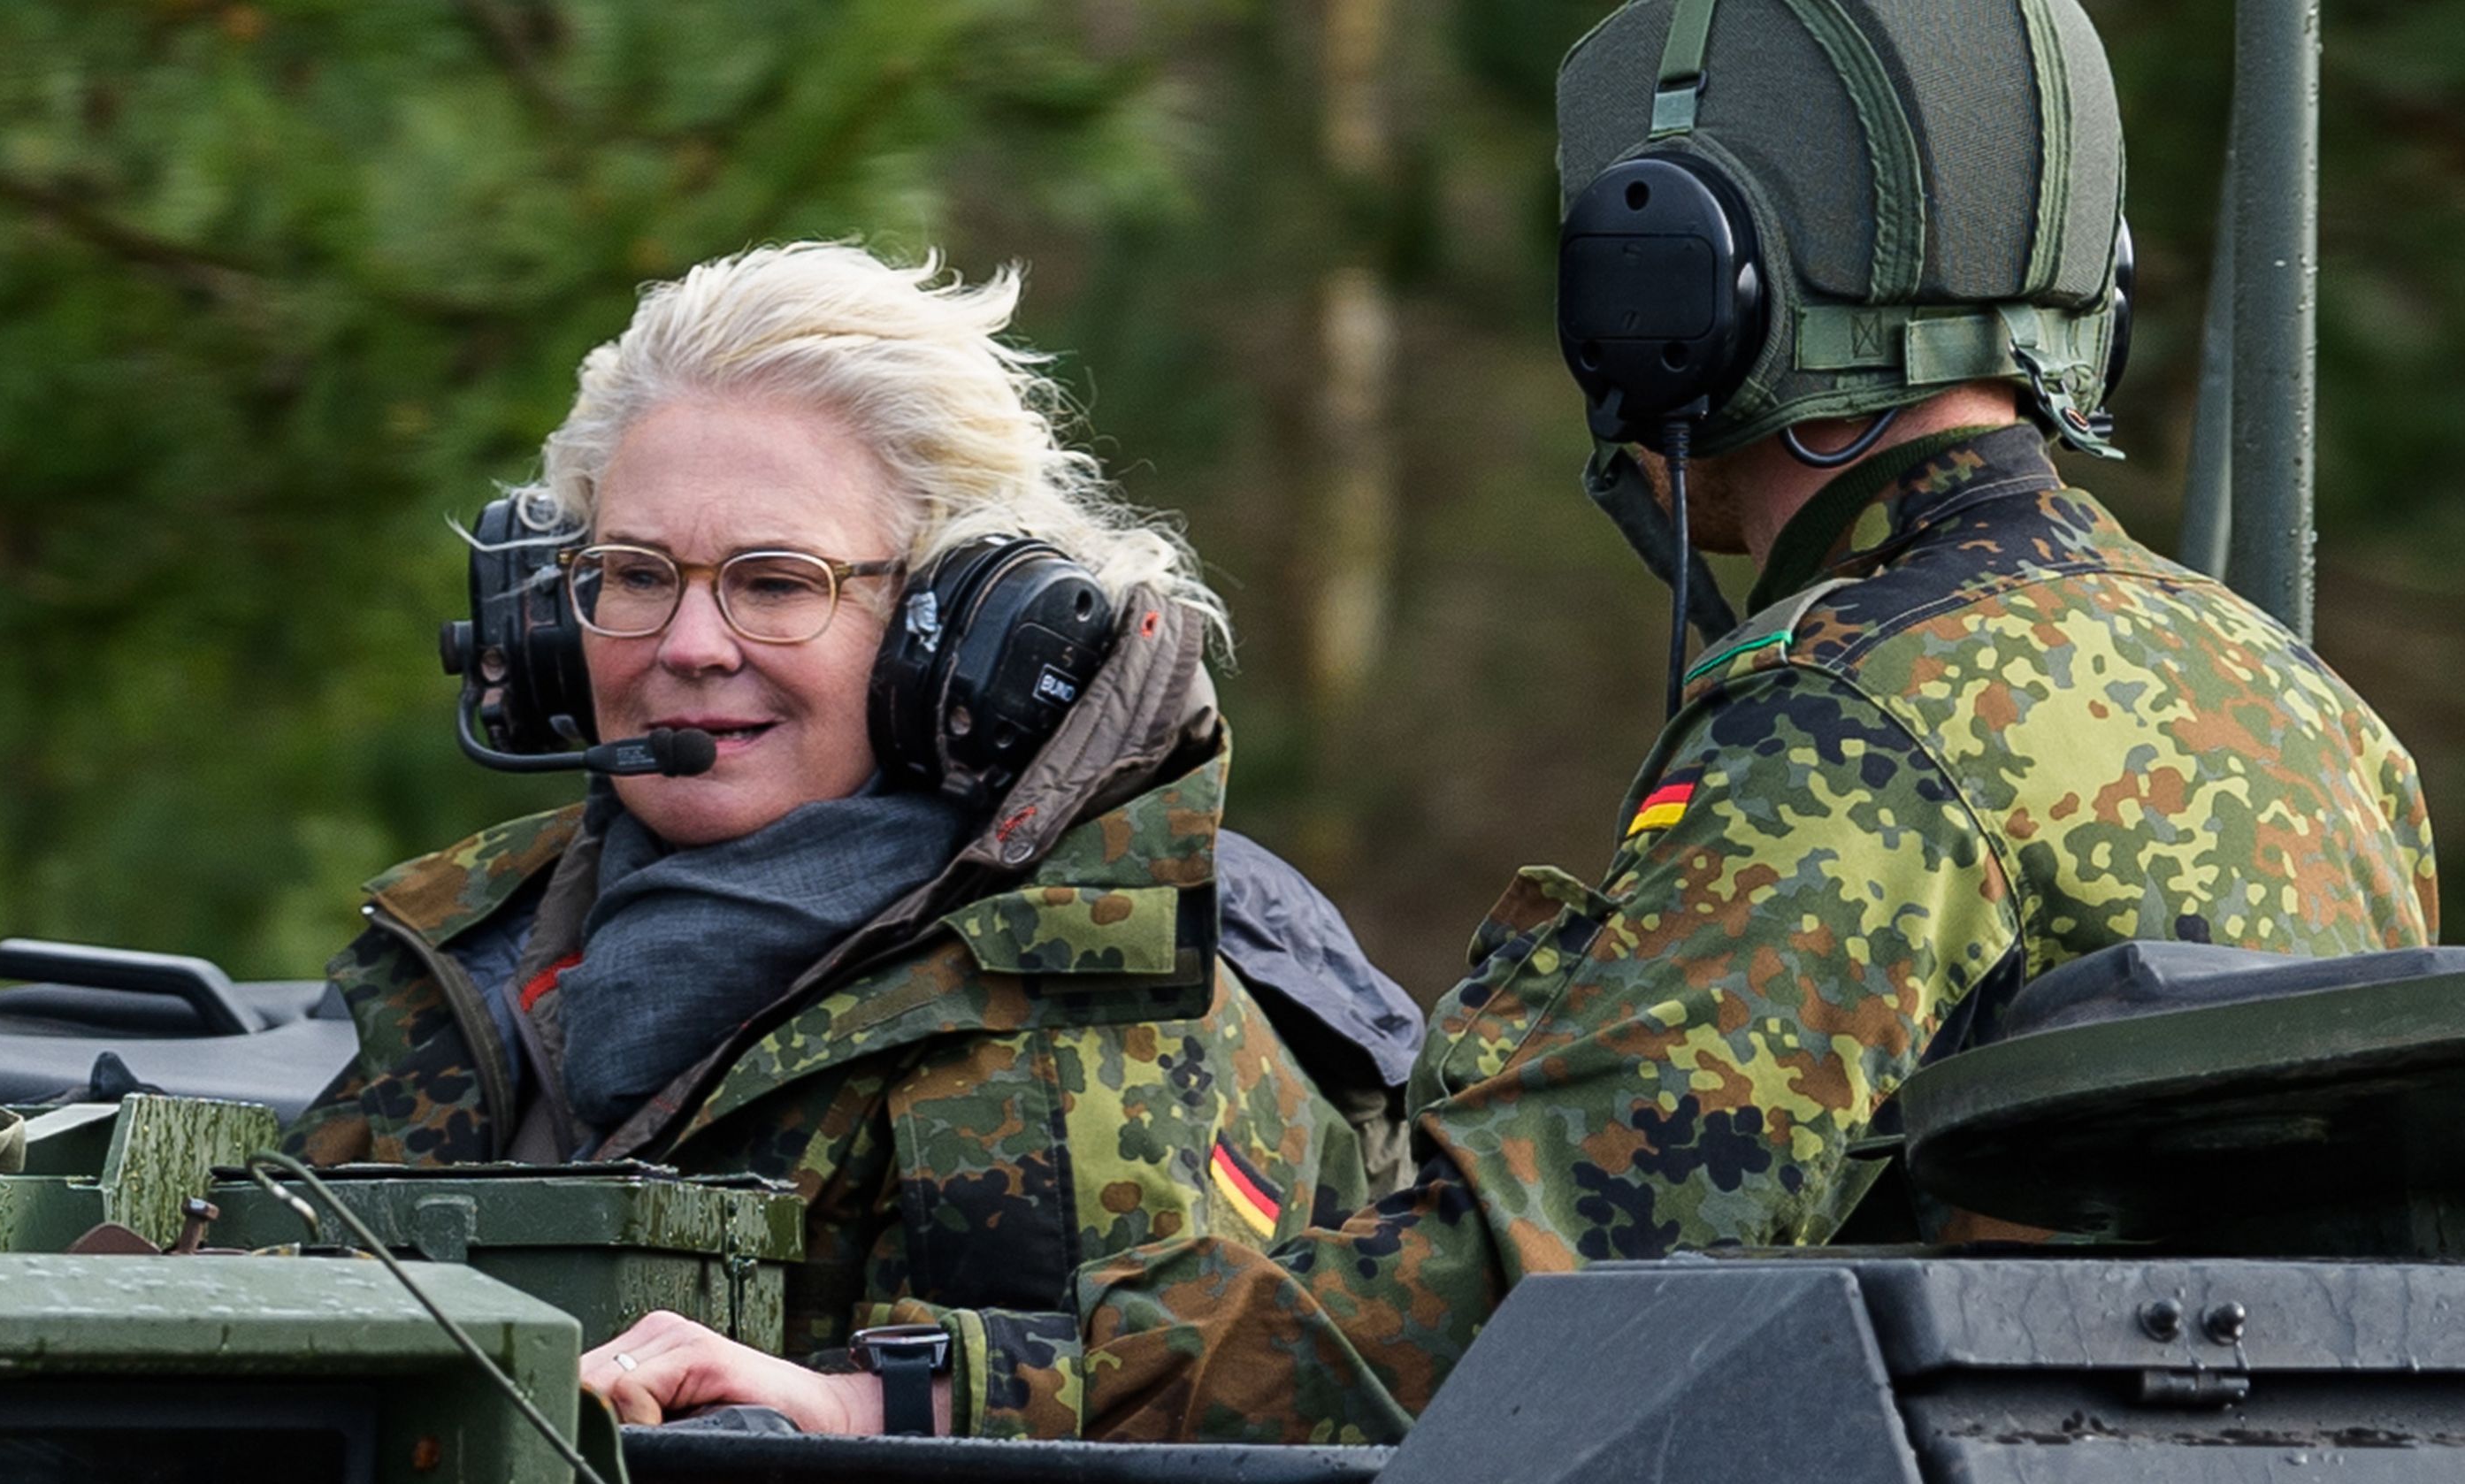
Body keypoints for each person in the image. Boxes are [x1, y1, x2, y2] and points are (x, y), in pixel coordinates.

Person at [575, 0, 2440, 1440]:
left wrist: (899, 1399)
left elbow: (1514, 1292)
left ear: (1677, 292)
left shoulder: (1856, 730)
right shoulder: (2300, 705)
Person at [282, 243, 1425, 1363]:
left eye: (777, 583)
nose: (688, 647)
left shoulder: (1103, 1014)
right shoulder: (472, 946)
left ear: (958, 633)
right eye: (634, 574)